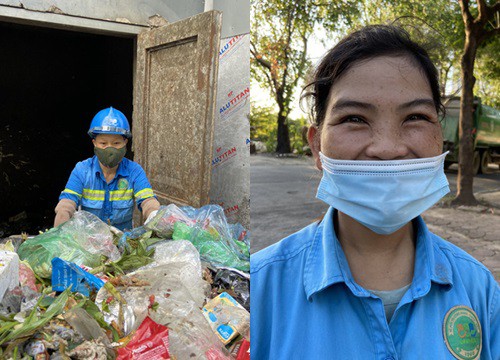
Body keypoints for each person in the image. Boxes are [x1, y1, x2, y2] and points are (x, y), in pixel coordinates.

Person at [250, 25, 499, 359]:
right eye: (354, 117)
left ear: (441, 138)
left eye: (415, 116)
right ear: (315, 146)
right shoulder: (259, 291)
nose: (387, 148)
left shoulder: (481, 292)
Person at [54, 107, 160, 231]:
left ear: (125, 142)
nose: (109, 149)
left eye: (116, 144)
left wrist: (154, 214)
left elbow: (147, 200)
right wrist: (60, 225)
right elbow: (68, 202)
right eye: (103, 144)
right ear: (94, 143)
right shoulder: (82, 170)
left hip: (122, 242)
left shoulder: (134, 171)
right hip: (90, 241)